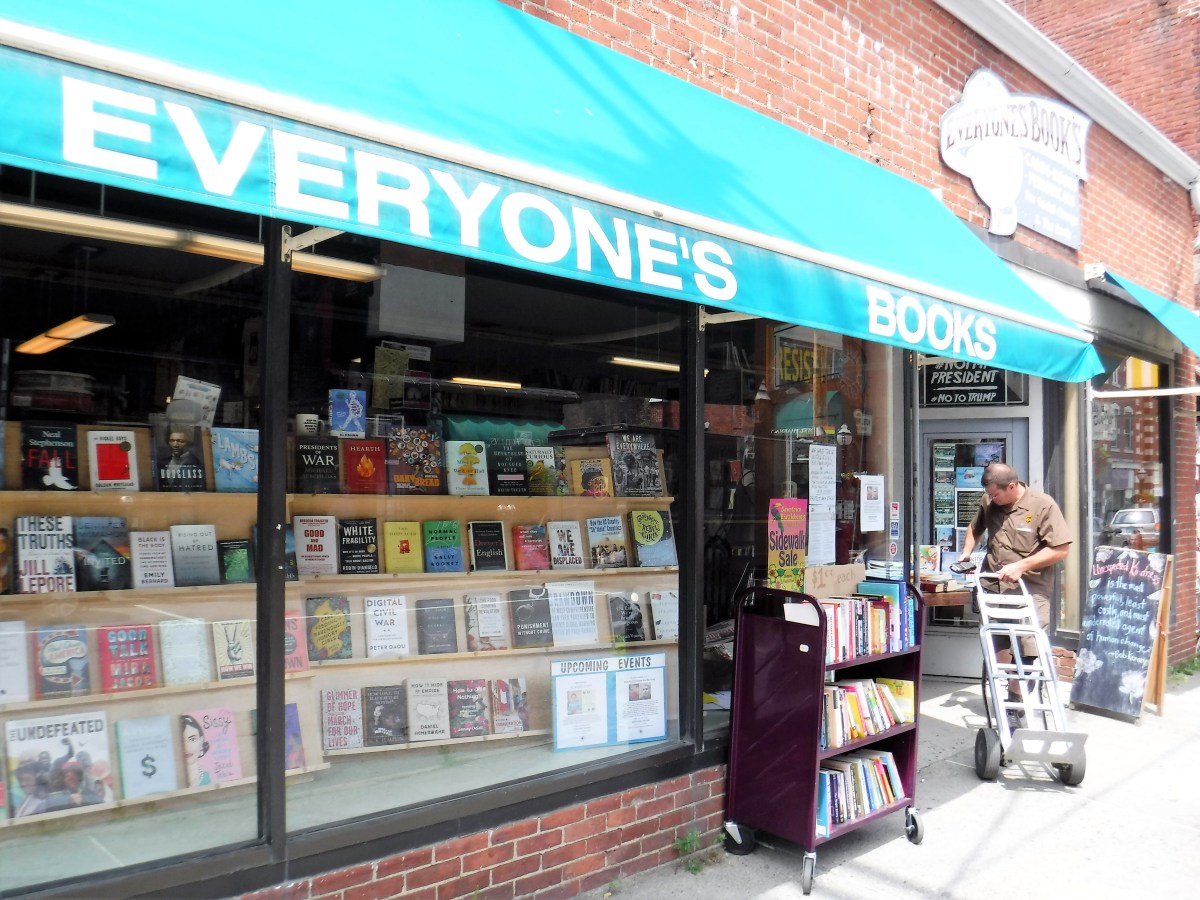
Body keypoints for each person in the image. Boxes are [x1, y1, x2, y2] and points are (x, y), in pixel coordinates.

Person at [958, 462, 1071, 724]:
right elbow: (976, 528)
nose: (992, 499)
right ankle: (1007, 697)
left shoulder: (1043, 506)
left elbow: (1061, 549)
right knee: (999, 643)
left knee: (1028, 648)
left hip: (1030, 590)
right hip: (994, 588)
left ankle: (1016, 702)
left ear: (1012, 486)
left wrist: (1022, 565)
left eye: (996, 494)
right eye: (989, 494)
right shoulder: (989, 501)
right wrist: (966, 553)